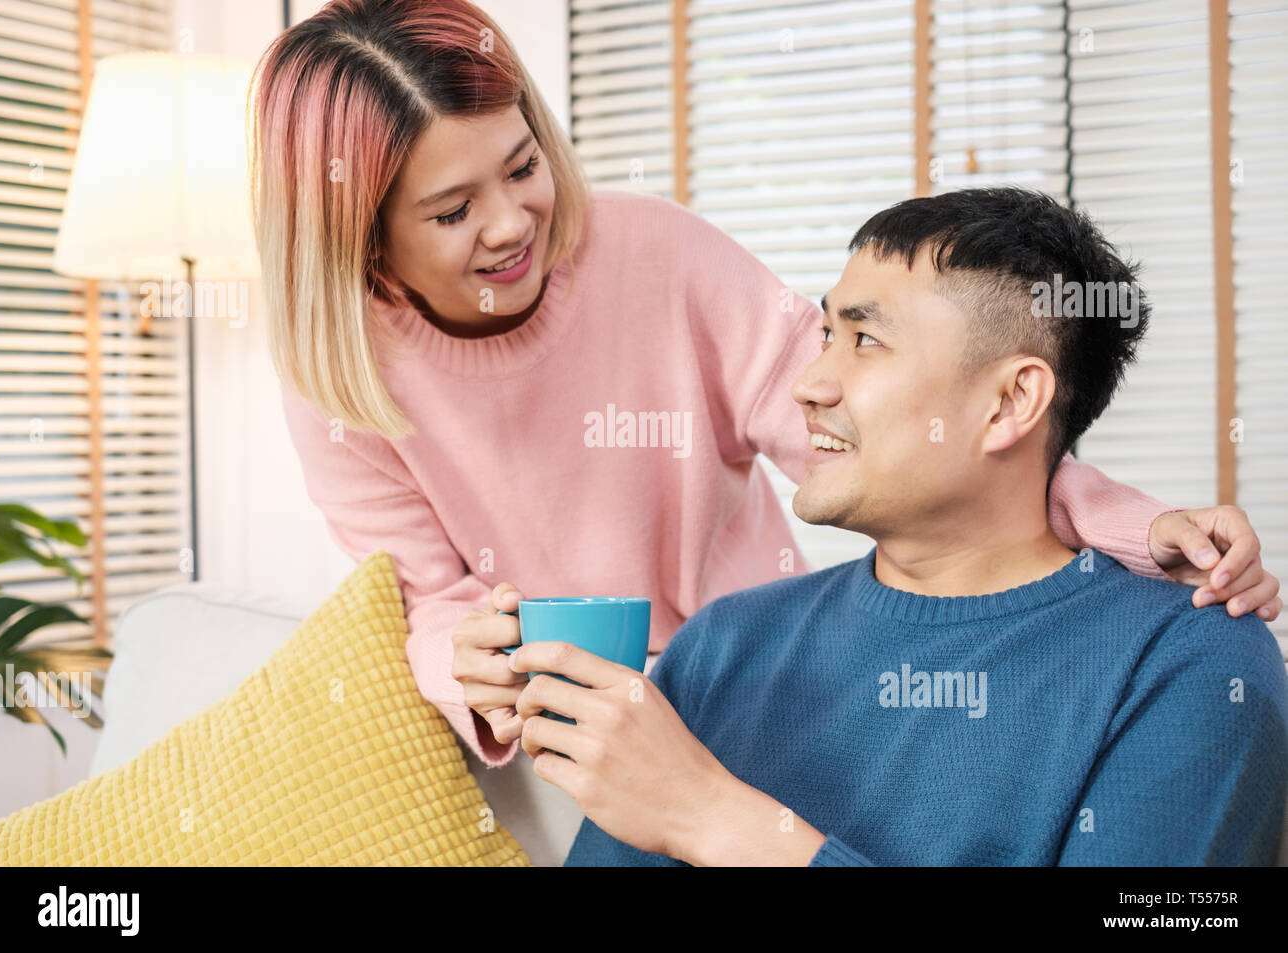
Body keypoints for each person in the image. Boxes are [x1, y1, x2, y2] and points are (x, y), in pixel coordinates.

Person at [254, 0, 1281, 806]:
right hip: (579, 729)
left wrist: (1137, 523)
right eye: (451, 209)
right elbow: (427, 601)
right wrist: (458, 662)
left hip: (755, 689)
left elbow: (903, 433)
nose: (512, 220)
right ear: (361, 236)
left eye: (521, 166)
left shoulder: (649, 251)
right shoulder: (340, 378)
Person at [513, 188, 1288, 866]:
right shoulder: (722, 647)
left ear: (1010, 404)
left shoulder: (1190, 667)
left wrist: (717, 820)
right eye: (824, 336)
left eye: (866, 340)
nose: (809, 385)